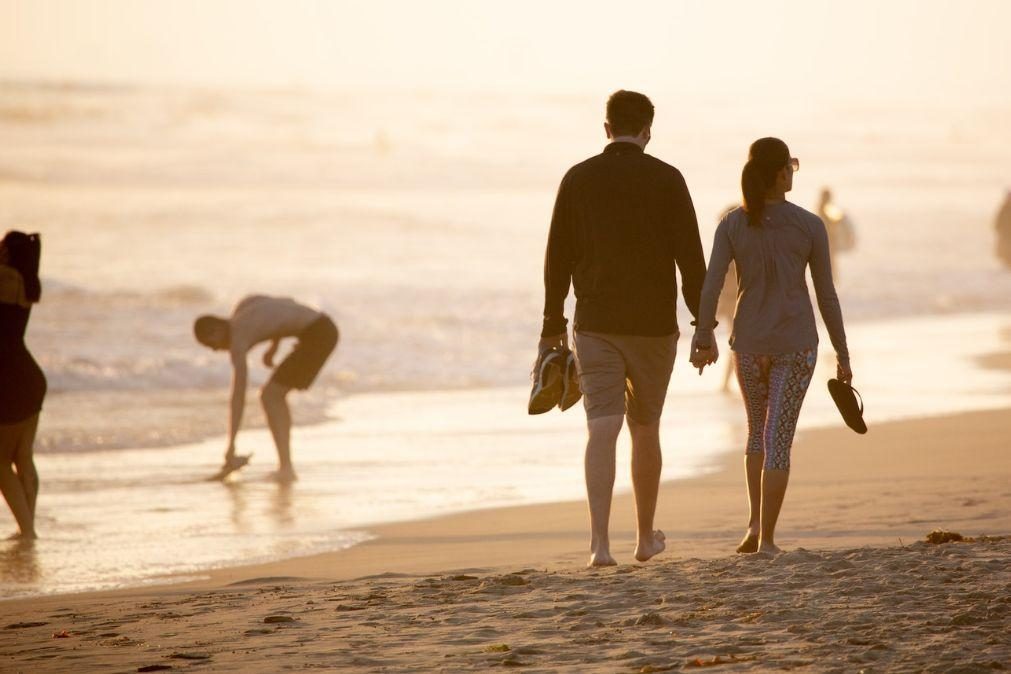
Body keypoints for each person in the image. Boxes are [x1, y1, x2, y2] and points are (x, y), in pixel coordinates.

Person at [539, 90, 707, 566]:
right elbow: (691, 261)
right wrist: (703, 324)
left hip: (596, 325)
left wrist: (552, 326)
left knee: (603, 427)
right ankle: (644, 538)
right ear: (648, 131)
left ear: (606, 127)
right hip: (654, 327)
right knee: (646, 428)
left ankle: (599, 545)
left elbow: (557, 260)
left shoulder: (577, 178)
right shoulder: (669, 179)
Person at [691, 138, 852, 555]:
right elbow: (826, 295)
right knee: (777, 438)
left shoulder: (732, 223)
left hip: (747, 344)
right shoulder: (809, 225)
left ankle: (753, 527)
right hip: (796, 345)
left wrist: (703, 334)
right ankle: (766, 540)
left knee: (756, 435)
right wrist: (843, 353)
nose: (793, 173)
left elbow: (710, 286)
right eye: (791, 167)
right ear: (780, 173)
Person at [193, 295, 338, 482]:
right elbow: (286, 303)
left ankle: (286, 468)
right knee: (273, 395)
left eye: (210, 343)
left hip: (318, 336)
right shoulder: (244, 305)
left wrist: (231, 446)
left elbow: (238, 396)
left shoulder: (238, 338)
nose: (214, 349)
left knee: (271, 396)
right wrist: (273, 347)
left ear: (216, 330)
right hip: (323, 325)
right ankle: (286, 466)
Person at [0, 231, 45, 540]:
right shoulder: (26, 282)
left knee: (1, 462)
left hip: (9, 379)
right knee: (23, 457)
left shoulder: (5, 278)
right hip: (29, 376)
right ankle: (28, 527)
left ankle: (27, 530)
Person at [815, 187, 856, 281]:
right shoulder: (827, 208)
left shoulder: (820, 206)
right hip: (829, 239)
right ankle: (833, 281)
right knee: (831, 262)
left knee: (828, 262)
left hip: (824, 238)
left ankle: (830, 281)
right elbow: (838, 217)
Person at [994, 190, 1011, 268]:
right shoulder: (1005, 207)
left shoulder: (1005, 206)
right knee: (1006, 250)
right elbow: (999, 220)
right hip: (1006, 234)